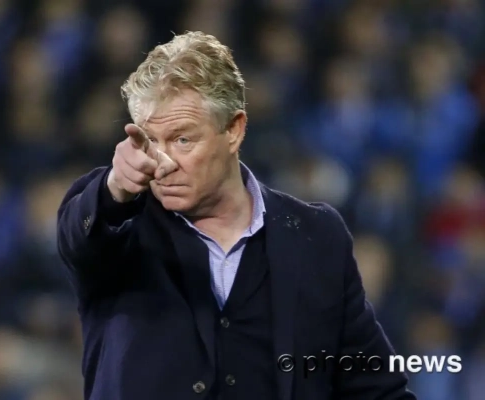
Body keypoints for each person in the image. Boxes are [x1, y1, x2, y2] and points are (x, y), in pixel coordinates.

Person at [57, 31, 416, 400]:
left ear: (234, 130)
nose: (162, 163)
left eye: (182, 140)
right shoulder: (118, 222)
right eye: (150, 141)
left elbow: (374, 387)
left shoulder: (315, 236)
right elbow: (77, 237)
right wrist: (115, 186)